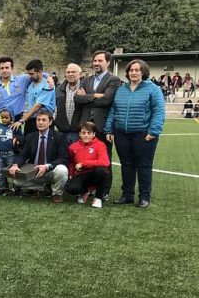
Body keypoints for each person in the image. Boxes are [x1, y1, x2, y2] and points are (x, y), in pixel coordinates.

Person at [105, 59, 165, 208]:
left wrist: (154, 131)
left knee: (144, 166)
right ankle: (127, 195)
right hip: (121, 134)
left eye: (137, 70)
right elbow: (113, 110)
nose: (133, 73)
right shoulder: (121, 89)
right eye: (131, 70)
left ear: (143, 72)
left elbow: (159, 111)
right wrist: (109, 129)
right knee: (126, 165)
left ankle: (144, 197)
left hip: (143, 134)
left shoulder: (153, 89)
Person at [76, 50, 122, 201]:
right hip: (85, 128)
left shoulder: (113, 80)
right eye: (95, 60)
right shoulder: (86, 80)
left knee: (104, 160)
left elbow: (107, 100)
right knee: (85, 157)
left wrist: (87, 97)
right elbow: (77, 99)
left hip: (102, 127)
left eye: (100, 61)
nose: (96, 63)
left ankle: (105, 190)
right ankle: (87, 188)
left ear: (108, 62)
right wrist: (95, 96)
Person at [8, 109, 69, 202]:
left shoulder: (59, 137)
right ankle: (43, 188)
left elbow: (63, 158)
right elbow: (23, 155)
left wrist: (47, 166)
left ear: (50, 122)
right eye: (38, 120)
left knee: (62, 170)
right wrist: (15, 165)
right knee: (16, 181)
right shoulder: (30, 136)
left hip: (50, 171)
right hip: (34, 171)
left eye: (44, 120)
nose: (40, 122)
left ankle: (57, 193)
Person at [66, 121, 110, 208]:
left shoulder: (100, 145)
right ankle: (86, 191)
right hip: (80, 174)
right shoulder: (73, 147)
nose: (86, 135)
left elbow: (105, 162)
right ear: (79, 134)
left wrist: (84, 163)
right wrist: (71, 173)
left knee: (102, 171)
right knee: (71, 189)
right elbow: (71, 161)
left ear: (94, 134)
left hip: (94, 173)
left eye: (89, 133)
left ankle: (98, 198)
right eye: (83, 133)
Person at [12, 59, 55, 136]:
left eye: (31, 74)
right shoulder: (31, 84)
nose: (29, 76)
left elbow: (38, 105)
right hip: (30, 120)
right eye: (28, 74)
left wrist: (22, 120)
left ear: (40, 72)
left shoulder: (48, 85)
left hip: (43, 120)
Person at [54, 63, 87, 144]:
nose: (70, 74)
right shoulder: (59, 89)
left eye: (73, 72)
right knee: (63, 155)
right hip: (62, 131)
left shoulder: (85, 88)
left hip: (79, 132)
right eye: (68, 72)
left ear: (80, 74)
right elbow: (55, 107)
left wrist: (85, 97)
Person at [0, 109, 22, 196]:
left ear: (11, 117)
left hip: (10, 154)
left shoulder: (14, 127)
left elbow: (20, 137)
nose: (4, 119)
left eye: (6, 117)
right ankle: (2, 189)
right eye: (2, 118)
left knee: (13, 172)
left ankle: (17, 189)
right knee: (0, 172)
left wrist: (16, 141)